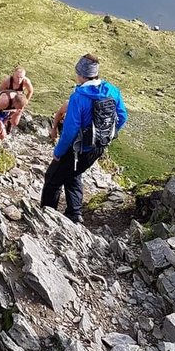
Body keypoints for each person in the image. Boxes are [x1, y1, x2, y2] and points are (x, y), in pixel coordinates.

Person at [41, 54, 128, 224]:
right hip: (98, 147)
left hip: (77, 148)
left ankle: (46, 217)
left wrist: (58, 152)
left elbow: (70, 130)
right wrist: (108, 134)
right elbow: (123, 116)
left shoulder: (78, 97)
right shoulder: (112, 90)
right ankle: (74, 214)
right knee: (74, 174)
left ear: (81, 74)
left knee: (52, 178)